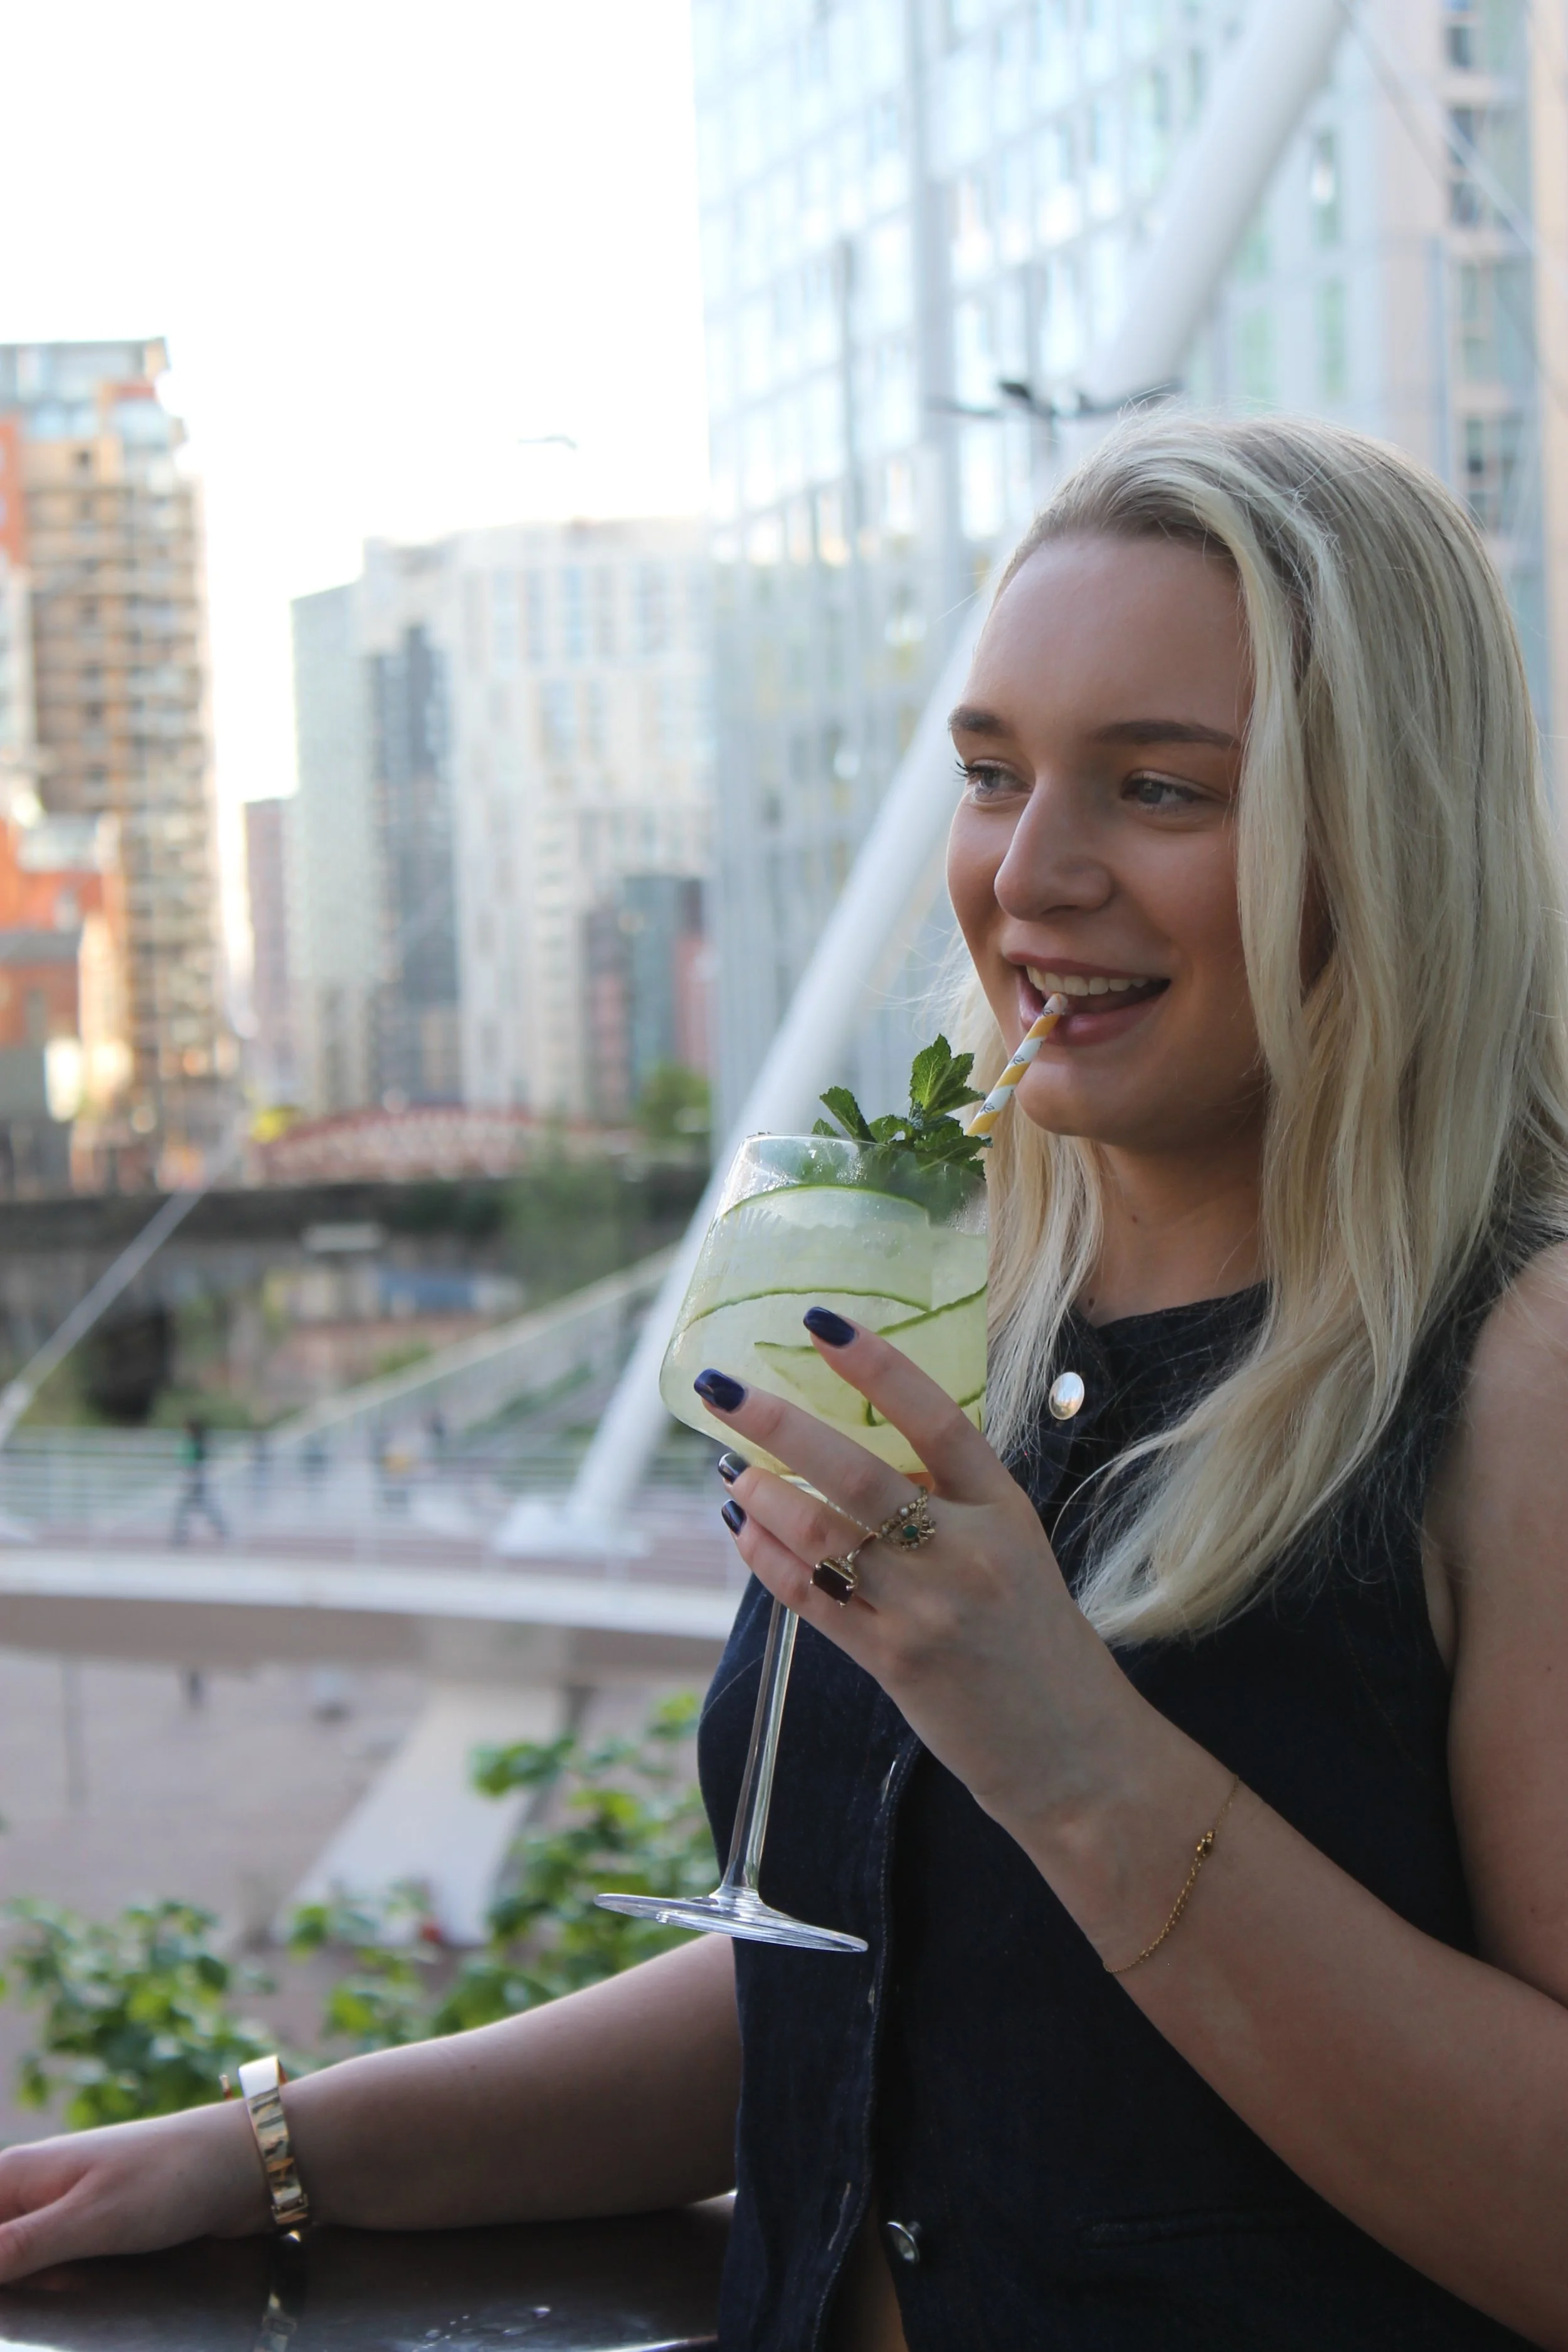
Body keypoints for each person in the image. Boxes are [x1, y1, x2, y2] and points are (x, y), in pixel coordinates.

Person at [3, 415, 1567, 2350]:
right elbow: (861, 1982)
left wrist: (1067, 1750)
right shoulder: (949, 1304)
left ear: (1390, 836)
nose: (1029, 872)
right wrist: (276, 2148)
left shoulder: (1519, 1373)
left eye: (1157, 788)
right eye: (990, 773)